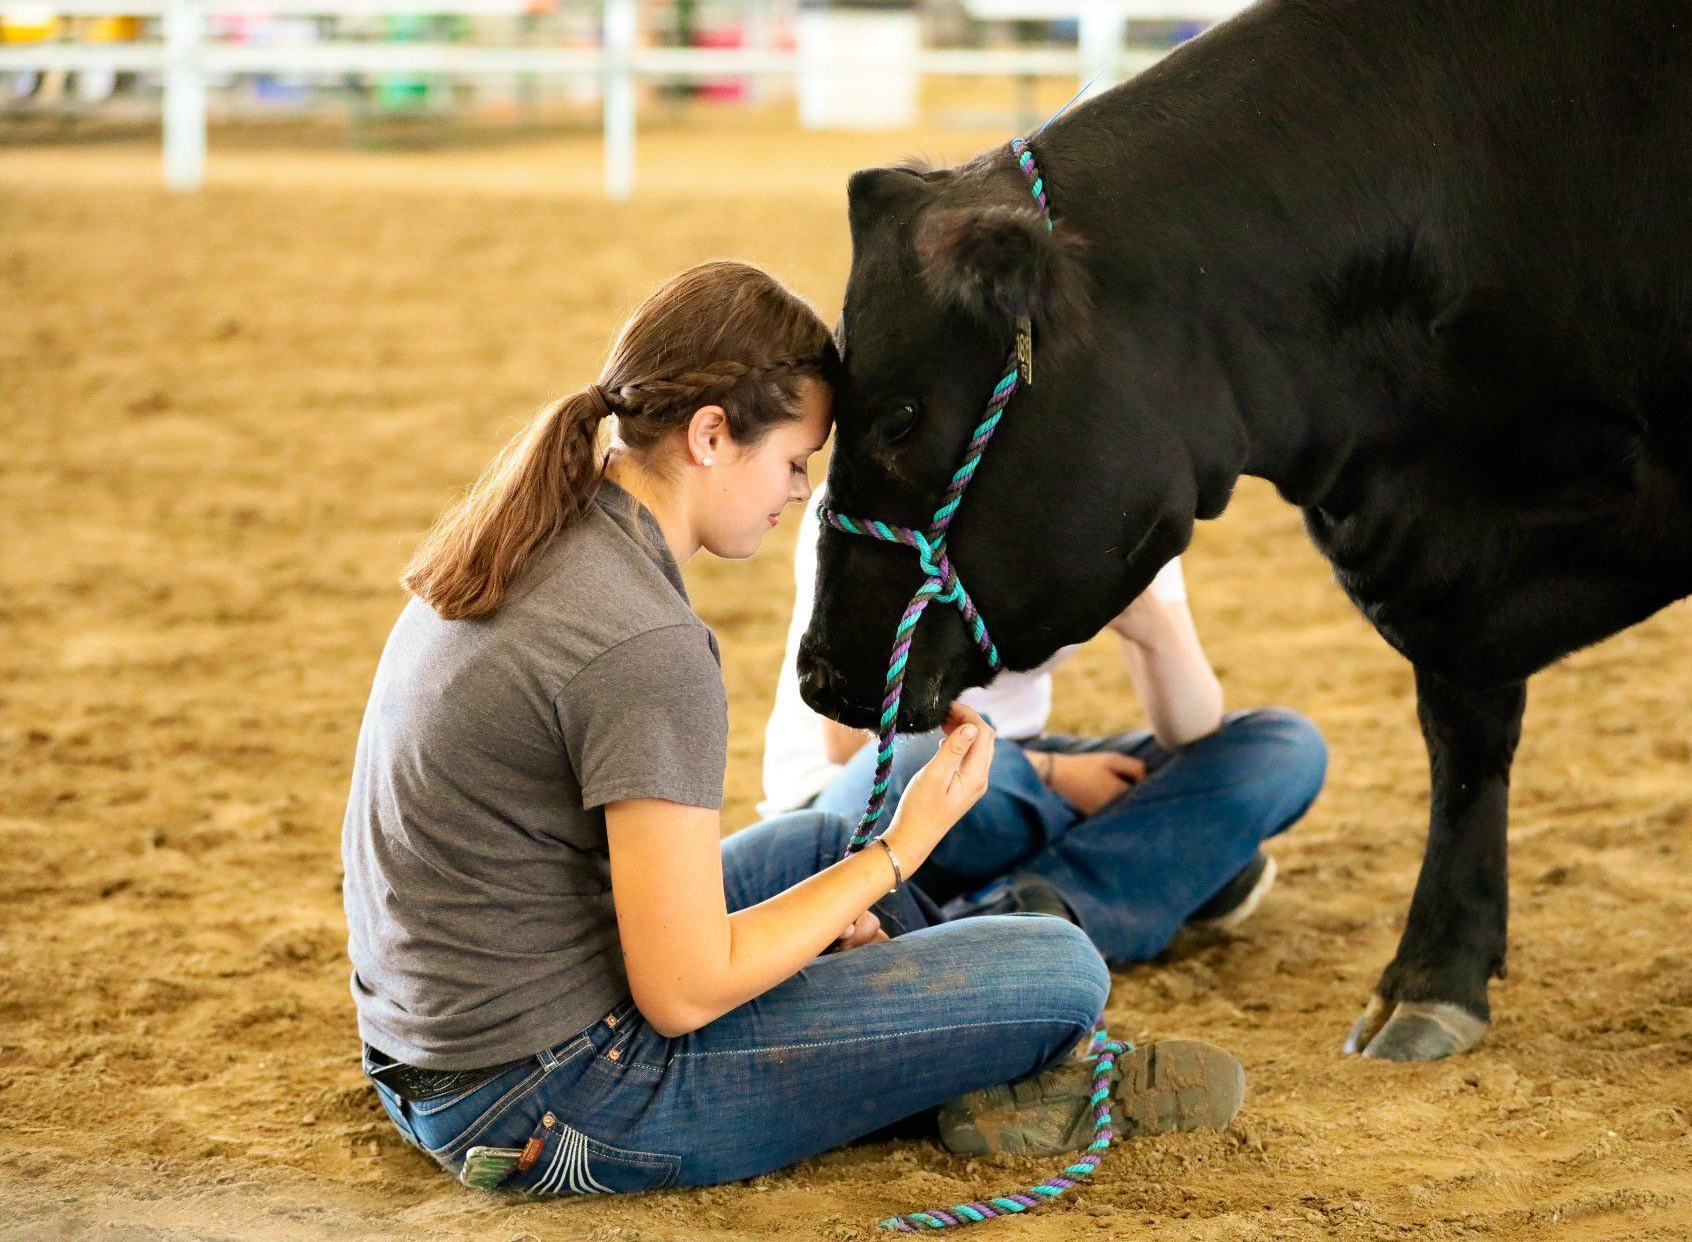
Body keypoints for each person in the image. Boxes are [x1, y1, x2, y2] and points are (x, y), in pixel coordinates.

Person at [339, 261, 1245, 1198]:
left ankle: (943, 1042)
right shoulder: (644, 643)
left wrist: (838, 900)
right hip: (548, 1097)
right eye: (795, 461)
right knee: (1058, 970)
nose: (801, 491)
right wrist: (900, 850)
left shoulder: (529, 532)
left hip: (440, 1048)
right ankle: (988, 1067)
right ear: (710, 435)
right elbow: (682, 992)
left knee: (818, 845)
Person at [762, 486, 1329, 965]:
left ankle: (1017, 912)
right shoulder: (887, 495)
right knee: (921, 762)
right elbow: (854, 740)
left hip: (1010, 786)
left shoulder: (1129, 493)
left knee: (1285, 750)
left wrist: (1151, 621)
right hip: (869, 798)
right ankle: (1160, 859)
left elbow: (1192, 732)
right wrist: (1055, 773)